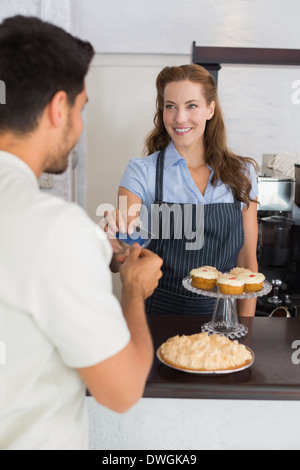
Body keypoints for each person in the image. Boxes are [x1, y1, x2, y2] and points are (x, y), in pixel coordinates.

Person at [0, 15, 162, 450]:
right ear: (58, 109)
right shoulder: (55, 229)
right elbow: (123, 391)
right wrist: (133, 290)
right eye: (82, 107)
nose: (81, 124)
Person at [110, 64, 259, 316]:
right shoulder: (142, 173)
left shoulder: (243, 173)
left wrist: (246, 329)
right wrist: (117, 248)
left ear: (210, 109)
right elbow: (122, 261)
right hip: (158, 315)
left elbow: (247, 263)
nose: (180, 118)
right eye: (171, 106)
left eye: (192, 105)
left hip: (223, 317)